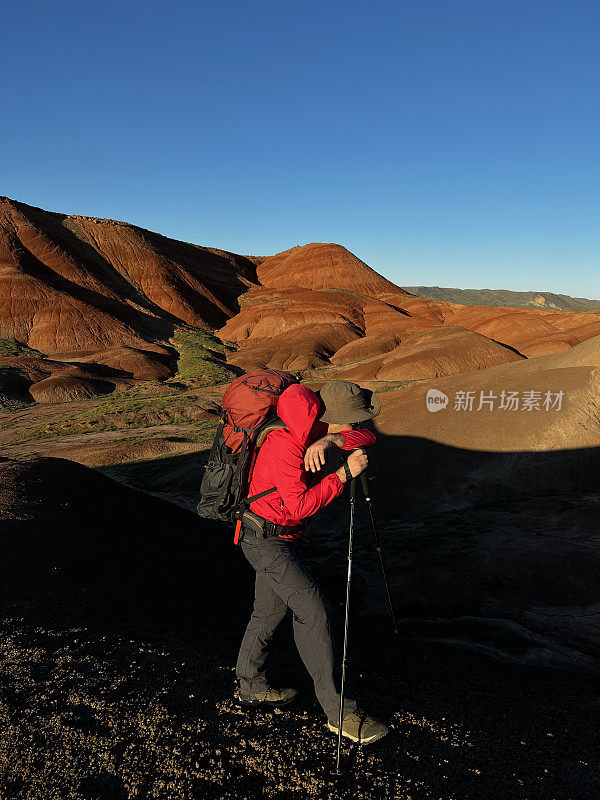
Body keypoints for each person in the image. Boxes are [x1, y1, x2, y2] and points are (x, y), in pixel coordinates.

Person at [234, 379, 388, 745]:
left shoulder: (315, 428)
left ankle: (250, 686)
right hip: (265, 540)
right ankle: (340, 714)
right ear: (337, 417)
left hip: (280, 538)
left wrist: (330, 441)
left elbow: (367, 439)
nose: (360, 425)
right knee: (314, 611)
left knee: (267, 613)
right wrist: (342, 475)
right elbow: (299, 506)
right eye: (354, 420)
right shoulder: (286, 441)